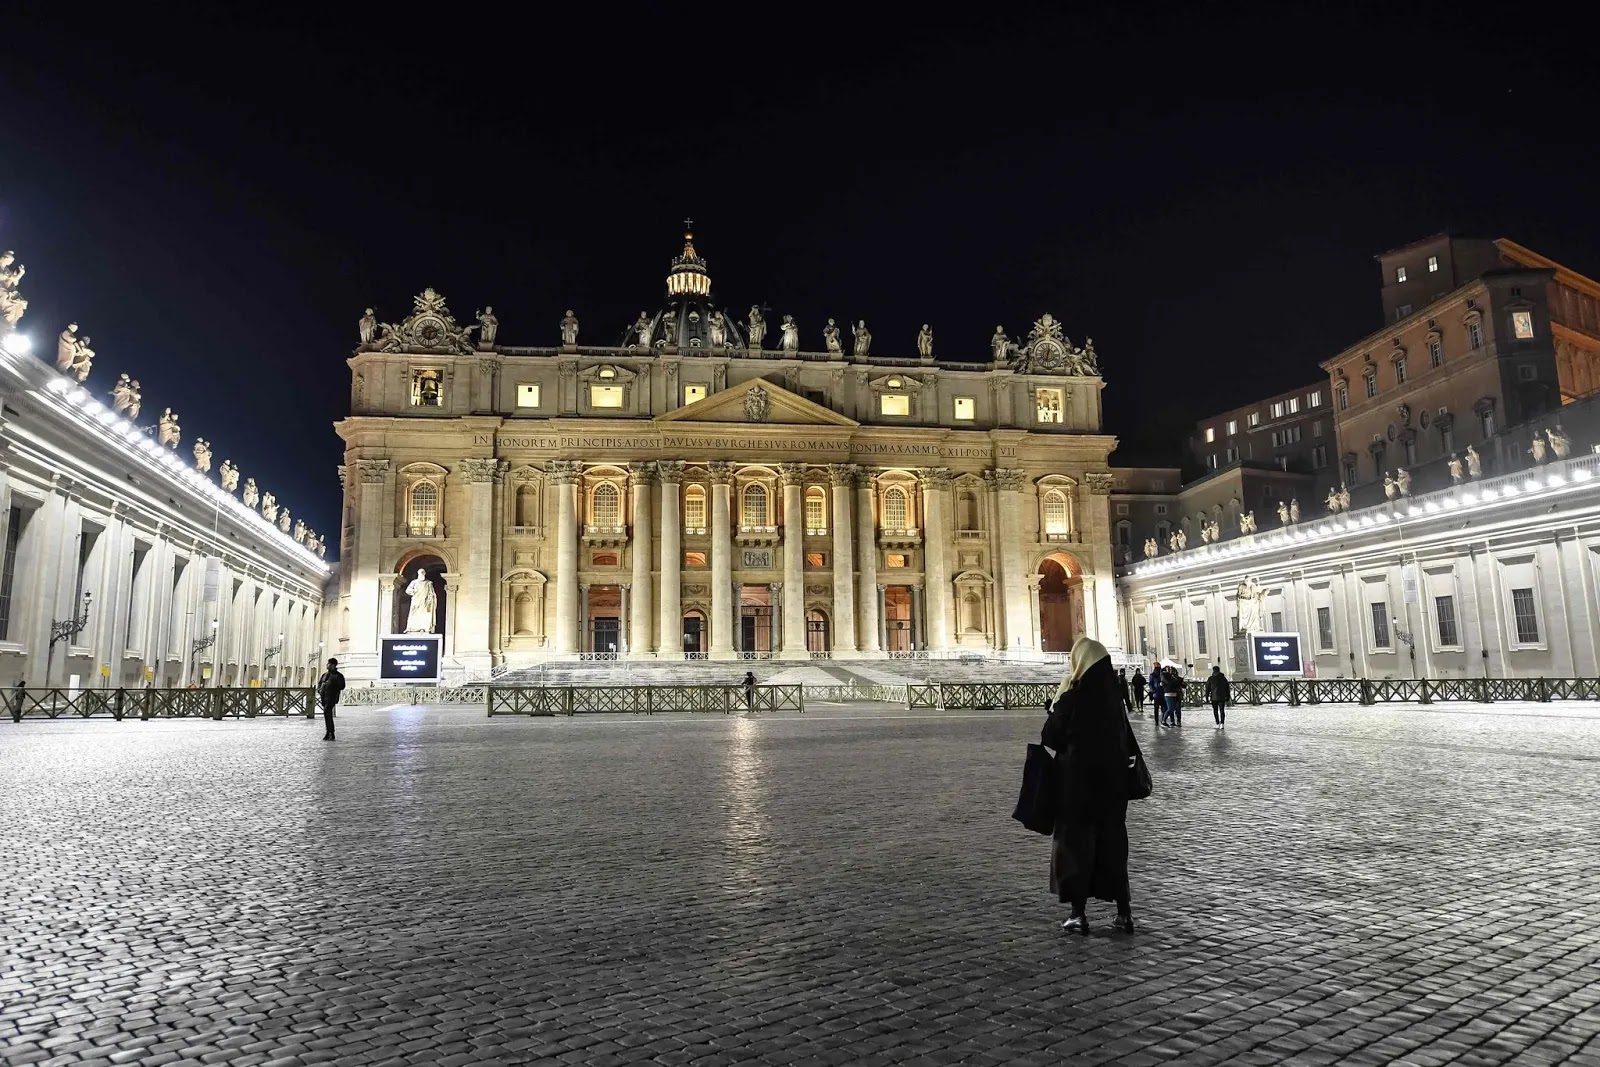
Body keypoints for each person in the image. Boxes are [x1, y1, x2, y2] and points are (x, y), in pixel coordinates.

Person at [1042, 637, 1136, 934]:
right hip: (1112, 788)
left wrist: (1057, 705)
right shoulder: (1114, 702)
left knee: (1075, 847)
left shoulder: (1072, 697)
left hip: (1076, 786)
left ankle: (1078, 914)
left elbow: (1051, 738)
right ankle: (1124, 913)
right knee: (1112, 847)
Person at [316, 658, 346, 740]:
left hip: (332, 696)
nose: (327, 665)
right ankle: (329, 732)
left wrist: (332, 685)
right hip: (324, 697)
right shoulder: (324, 675)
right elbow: (319, 683)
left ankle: (331, 732)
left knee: (327, 712)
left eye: (329, 664)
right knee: (327, 714)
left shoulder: (338, 676)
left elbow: (342, 686)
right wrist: (319, 689)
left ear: (333, 665)